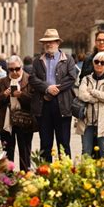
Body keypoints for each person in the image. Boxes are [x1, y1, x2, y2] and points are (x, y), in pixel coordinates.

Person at [29, 29, 76, 162]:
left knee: (64, 144)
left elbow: (72, 77)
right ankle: (45, 174)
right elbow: (32, 79)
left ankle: (65, 174)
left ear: (57, 43)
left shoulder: (68, 59)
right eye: (46, 42)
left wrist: (57, 89)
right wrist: (47, 88)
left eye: (52, 41)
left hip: (63, 106)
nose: (49, 44)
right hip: (43, 105)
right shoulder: (37, 61)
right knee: (45, 143)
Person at [0, 56, 34, 170]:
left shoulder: (30, 80)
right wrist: (4, 94)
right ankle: (8, 179)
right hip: (7, 121)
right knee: (8, 151)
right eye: (11, 69)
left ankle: (25, 176)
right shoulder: (2, 82)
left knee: (25, 150)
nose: (14, 72)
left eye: (17, 69)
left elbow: (35, 101)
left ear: (22, 67)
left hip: (24, 120)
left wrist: (22, 95)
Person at [76, 52, 104, 158]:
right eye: (96, 62)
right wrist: (97, 99)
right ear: (93, 63)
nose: (99, 64)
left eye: (102, 63)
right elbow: (82, 95)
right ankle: (85, 173)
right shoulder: (86, 79)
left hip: (103, 120)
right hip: (87, 120)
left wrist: (93, 91)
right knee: (86, 150)